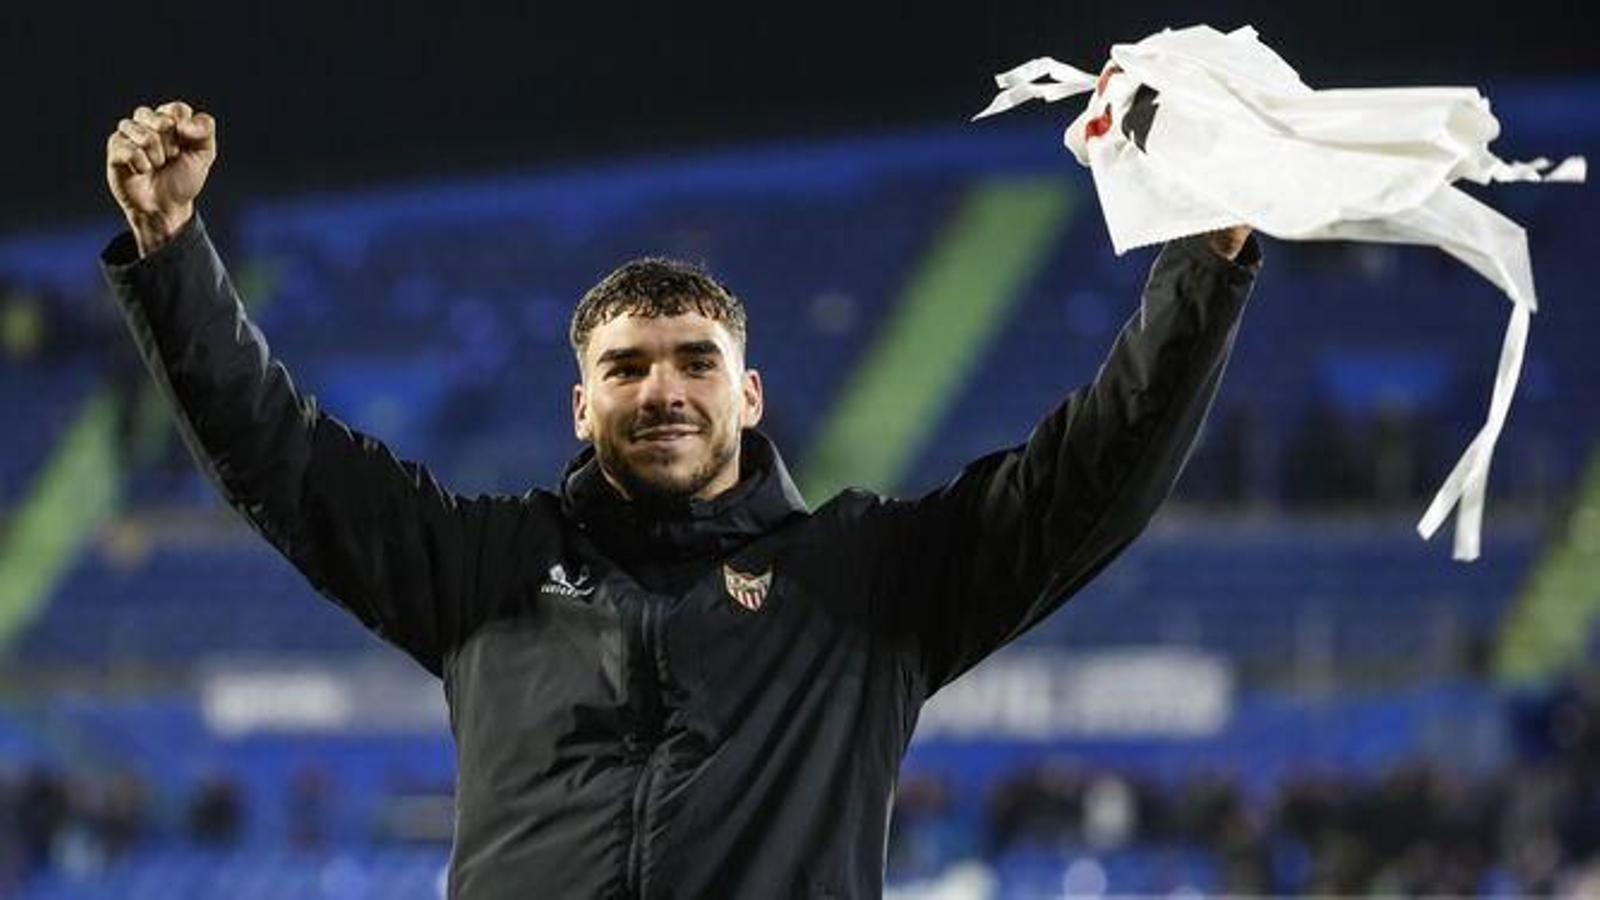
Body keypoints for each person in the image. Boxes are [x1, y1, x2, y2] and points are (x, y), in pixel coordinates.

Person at [101, 100, 1260, 898]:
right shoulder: (485, 570)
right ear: (580, 405)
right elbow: (285, 462)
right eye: (627, 368)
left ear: (747, 394)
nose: (663, 390)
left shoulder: (864, 583)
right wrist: (172, 248)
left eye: (696, 362)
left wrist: (1205, 262)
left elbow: (1085, 481)